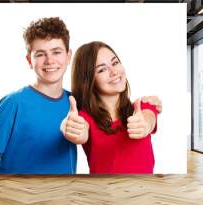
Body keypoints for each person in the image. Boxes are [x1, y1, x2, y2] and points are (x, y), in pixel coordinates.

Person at [0, 17, 162, 174]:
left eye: (56, 52)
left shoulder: (77, 103)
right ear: (29, 60)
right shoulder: (13, 104)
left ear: (68, 56)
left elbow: (140, 116)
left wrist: (150, 113)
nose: (49, 61)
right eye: (40, 54)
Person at [62, 41, 158, 174]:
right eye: (102, 69)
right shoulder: (84, 119)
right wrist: (72, 129)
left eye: (115, 63)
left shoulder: (142, 108)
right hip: (105, 192)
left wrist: (145, 125)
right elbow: (80, 132)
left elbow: (149, 119)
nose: (114, 72)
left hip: (144, 191)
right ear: (88, 80)